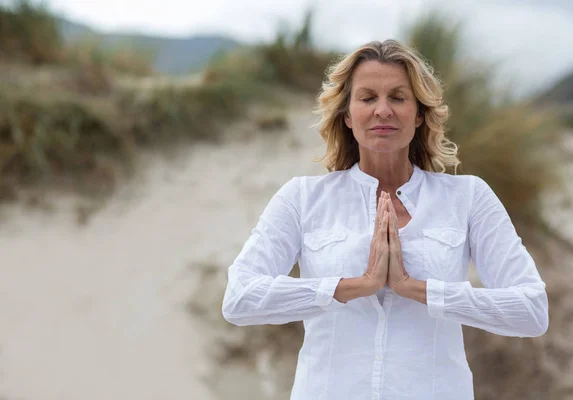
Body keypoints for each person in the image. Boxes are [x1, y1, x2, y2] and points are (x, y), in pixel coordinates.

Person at [221, 39, 548, 400]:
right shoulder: (302, 198)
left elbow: (531, 311)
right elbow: (240, 299)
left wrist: (418, 289)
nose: (383, 110)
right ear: (347, 115)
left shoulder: (468, 197)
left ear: (419, 113)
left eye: (397, 97)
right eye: (367, 98)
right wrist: (352, 286)